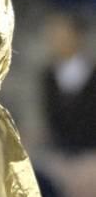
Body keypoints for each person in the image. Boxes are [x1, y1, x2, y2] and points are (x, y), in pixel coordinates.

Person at [41, 11, 96, 155]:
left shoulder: (92, 74)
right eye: (53, 33)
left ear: (78, 36)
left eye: (62, 33)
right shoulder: (48, 76)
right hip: (61, 156)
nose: (56, 39)